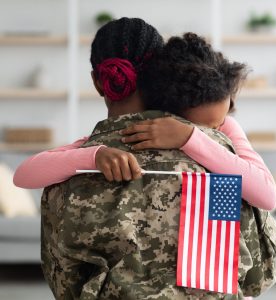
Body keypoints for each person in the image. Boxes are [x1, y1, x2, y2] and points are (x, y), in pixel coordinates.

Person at [33, 18, 245, 300]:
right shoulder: (219, 152)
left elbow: (63, 282)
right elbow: (252, 271)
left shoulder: (70, 166)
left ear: (98, 81)